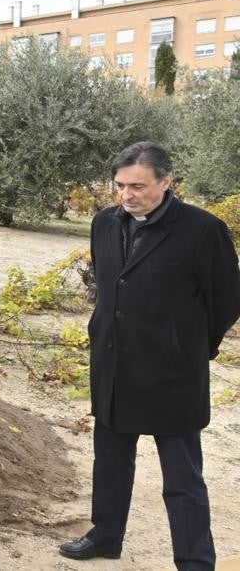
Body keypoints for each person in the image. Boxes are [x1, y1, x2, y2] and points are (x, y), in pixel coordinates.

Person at [58, 142, 240, 570]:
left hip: (171, 373)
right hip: (113, 366)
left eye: (137, 186)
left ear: (166, 181)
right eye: (120, 185)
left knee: (182, 478)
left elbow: (227, 299)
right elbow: (109, 286)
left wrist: (190, 346)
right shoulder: (103, 223)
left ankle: (195, 559)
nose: (127, 195)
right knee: (110, 463)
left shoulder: (202, 229)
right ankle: (105, 537)